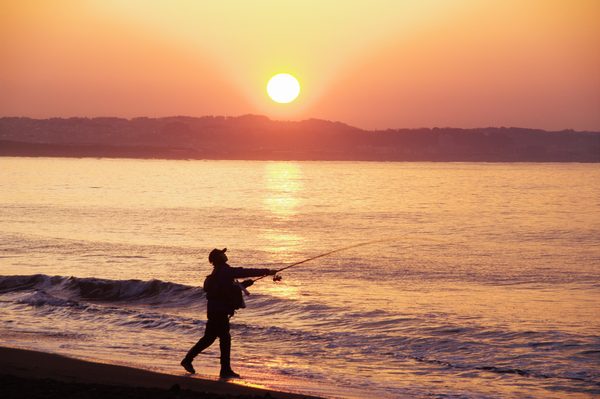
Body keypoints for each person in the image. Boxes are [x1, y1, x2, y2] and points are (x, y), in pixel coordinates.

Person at [181, 248, 277, 378]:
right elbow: (244, 272)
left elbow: (227, 289)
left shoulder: (219, 272)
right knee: (224, 338)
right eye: (222, 253)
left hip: (214, 310)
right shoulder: (225, 271)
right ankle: (224, 370)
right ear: (219, 258)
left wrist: (244, 284)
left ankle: (188, 360)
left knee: (209, 339)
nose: (225, 255)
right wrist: (267, 271)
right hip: (219, 311)